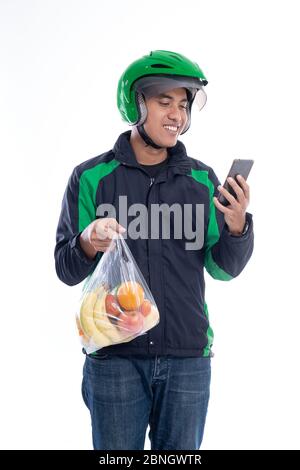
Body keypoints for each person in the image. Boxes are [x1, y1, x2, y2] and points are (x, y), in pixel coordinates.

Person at [54, 50, 254, 450]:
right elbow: (65, 267)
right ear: (136, 103)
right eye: (165, 102)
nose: (177, 116)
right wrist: (87, 241)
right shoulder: (91, 177)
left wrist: (237, 227)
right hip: (114, 359)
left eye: (183, 105)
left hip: (187, 359)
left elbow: (222, 269)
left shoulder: (201, 180)